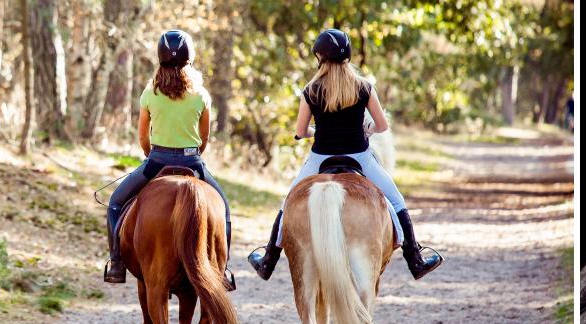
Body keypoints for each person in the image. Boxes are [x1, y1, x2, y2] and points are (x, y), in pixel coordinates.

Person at [248, 28, 443, 281]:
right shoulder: (364, 87)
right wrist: (367, 129)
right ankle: (415, 260)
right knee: (396, 202)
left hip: (320, 159)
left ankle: (267, 261)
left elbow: (300, 131)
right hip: (359, 156)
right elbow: (382, 126)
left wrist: (316, 130)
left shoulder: (311, 90)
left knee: (287, 204)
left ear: (320, 57)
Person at [103, 29, 234, 287]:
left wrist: (151, 155)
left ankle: (116, 262)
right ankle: (222, 270)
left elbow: (143, 137)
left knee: (115, 203)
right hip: (192, 161)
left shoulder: (150, 93)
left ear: (160, 57)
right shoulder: (201, 95)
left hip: (156, 161)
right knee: (224, 209)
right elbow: (204, 137)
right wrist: (192, 154)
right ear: (190, 58)